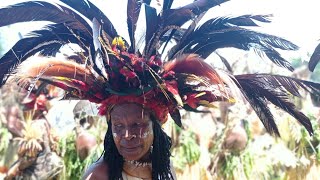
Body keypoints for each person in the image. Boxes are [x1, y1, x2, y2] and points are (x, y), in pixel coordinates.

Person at [0, 0, 320, 180]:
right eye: (119, 127)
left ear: (156, 125)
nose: (128, 136)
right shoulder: (98, 176)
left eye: (138, 125)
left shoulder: (163, 172)